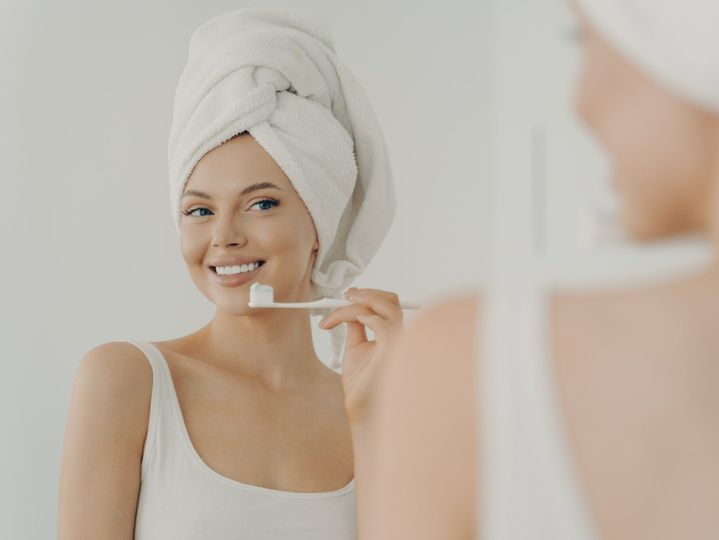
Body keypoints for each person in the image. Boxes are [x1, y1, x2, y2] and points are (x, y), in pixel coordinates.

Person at [365, 1, 719, 538]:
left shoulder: (465, 365)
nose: (582, 104)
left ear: (682, 42)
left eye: (586, 39)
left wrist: (378, 419)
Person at [57, 7, 404, 539]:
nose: (223, 236)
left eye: (261, 204)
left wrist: (378, 418)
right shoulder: (128, 381)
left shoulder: (368, 399)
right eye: (200, 210)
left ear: (319, 223)